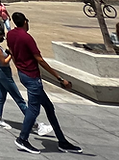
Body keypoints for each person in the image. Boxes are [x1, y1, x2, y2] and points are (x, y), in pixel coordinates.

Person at [6, 12, 83, 154]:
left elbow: (12, 51)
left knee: (49, 107)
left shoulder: (10, 34)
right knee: (34, 109)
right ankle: (22, 139)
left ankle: (62, 141)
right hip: (32, 76)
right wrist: (59, 78)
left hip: (23, 74)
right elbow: (40, 59)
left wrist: (18, 66)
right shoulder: (26, 37)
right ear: (24, 21)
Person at [0, 26, 52, 136]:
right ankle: (35, 125)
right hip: (3, 72)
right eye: (1, 35)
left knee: (1, 94)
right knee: (18, 98)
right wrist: (11, 54)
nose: (2, 37)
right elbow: (4, 61)